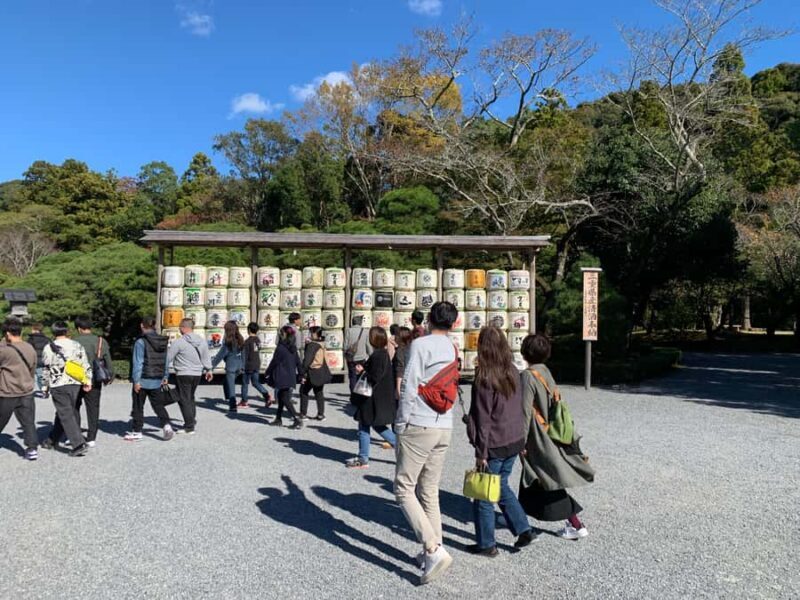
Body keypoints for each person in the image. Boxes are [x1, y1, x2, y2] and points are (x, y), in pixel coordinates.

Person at [394, 301, 459, 585]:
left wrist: (400, 422)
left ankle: (432, 549)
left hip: (419, 422)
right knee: (429, 489)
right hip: (444, 424)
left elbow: (409, 386)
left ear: (430, 319)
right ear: (454, 323)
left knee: (404, 487)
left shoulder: (421, 345)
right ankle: (435, 547)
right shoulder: (453, 348)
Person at [467, 326, 536, 556]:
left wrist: (481, 451)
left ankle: (487, 544)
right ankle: (523, 528)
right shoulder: (513, 371)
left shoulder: (485, 377)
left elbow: (485, 419)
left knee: (484, 494)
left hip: (494, 443)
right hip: (513, 439)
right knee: (501, 484)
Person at [519, 333, 595, 540]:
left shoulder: (527, 376)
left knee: (546, 479)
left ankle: (576, 524)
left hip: (537, 436)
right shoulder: (545, 372)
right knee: (532, 478)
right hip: (551, 432)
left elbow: (525, 411)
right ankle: (517, 518)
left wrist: (521, 439)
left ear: (524, 352)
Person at [346, 327, 396, 469]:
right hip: (377, 397)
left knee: (364, 425)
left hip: (372, 397)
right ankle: (400, 447)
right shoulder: (382, 354)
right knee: (375, 425)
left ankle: (363, 458)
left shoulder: (378, 356)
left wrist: (362, 371)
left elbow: (375, 377)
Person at [41, 321, 92, 456]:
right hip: (74, 382)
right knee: (64, 411)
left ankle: (78, 444)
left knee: (65, 413)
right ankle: (52, 440)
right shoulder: (76, 345)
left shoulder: (48, 347)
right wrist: (87, 380)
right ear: (66, 331)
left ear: (53, 332)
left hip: (58, 383)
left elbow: (46, 369)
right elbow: (84, 363)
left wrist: (44, 387)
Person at [124, 317, 173, 442]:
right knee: (158, 405)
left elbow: (138, 362)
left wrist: (136, 380)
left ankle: (137, 431)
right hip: (157, 378)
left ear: (142, 326)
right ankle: (167, 426)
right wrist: (165, 376)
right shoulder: (162, 341)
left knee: (138, 406)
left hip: (143, 378)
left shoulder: (141, 342)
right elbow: (166, 360)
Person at [165, 318, 213, 434]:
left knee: (184, 399)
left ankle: (189, 426)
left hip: (183, 373)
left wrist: (162, 373)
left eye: (180, 327)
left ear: (183, 328)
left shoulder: (179, 342)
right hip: (197, 374)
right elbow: (206, 356)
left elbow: (168, 358)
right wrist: (209, 370)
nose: (179, 329)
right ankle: (192, 420)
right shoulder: (201, 341)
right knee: (190, 397)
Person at [0, 319, 39, 460]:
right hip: (27, 390)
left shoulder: (4, 351)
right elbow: (33, 369)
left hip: (7, 391)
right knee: (28, 422)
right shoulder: (30, 348)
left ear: (7, 333)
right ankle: (32, 448)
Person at [72, 316, 114, 447]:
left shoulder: (74, 341)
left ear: (79, 328)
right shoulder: (101, 341)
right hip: (95, 378)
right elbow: (108, 361)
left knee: (74, 407)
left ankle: (76, 434)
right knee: (93, 408)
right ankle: (91, 437)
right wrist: (110, 376)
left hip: (76, 379)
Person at [265, 326, 303, 429]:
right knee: (282, 396)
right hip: (290, 376)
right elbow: (298, 362)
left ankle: (296, 419)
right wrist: (301, 374)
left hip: (282, 376)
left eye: (280, 333)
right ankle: (278, 418)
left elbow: (274, 362)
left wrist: (267, 372)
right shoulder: (293, 348)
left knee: (285, 398)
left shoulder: (280, 348)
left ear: (284, 335)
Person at [211, 321, 245, 413]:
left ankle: (232, 406)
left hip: (231, 367)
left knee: (231, 386)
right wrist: (243, 366)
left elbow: (219, 356)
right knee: (226, 382)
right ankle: (227, 398)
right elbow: (244, 354)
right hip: (239, 366)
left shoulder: (227, 343)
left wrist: (211, 367)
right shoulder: (240, 339)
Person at [299, 326, 331, 421]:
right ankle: (321, 414)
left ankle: (303, 414)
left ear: (314, 334)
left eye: (311, 333)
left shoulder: (312, 345)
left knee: (303, 391)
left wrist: (302, 372)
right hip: (321, 371)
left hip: (312, 372)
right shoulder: (322, 343)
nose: (309, 334)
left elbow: (307, 361)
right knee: (319, 392)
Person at [241, 322, 272, 408]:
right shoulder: (258, 340)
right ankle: (266, 395)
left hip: (248, 365)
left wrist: (242, 367)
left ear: (249, 330)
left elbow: (245, 355)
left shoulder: (247, 342)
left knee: (245, 383)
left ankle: (244, 401)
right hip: (257, 363)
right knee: (255, 382)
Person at [344, 315, 372, 393]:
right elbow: (368, 345)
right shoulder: (365, 331)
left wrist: (346, 356)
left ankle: (353, 395)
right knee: (362, 376)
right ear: (360, 322)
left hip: (351, 358)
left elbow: (345, 345)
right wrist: (371, 354)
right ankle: (360, 394)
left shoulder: (348, 331)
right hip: (362, 358)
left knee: (352, 377)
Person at [27, 322, 49, 393]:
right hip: (43, 360)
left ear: (34, 329)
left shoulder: (31, 339)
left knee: (36, 377)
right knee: (42, 376)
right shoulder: (46, 338)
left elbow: (28, 350)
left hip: (34, 360)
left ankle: (42, 389)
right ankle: (44, 389)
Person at [393, 326, 413, 398]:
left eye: (396, 335)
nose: (394, 337)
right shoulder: (411, 347)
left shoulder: (400, 350)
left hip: (403, 382)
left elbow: (400, 368)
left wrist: (398, 389)